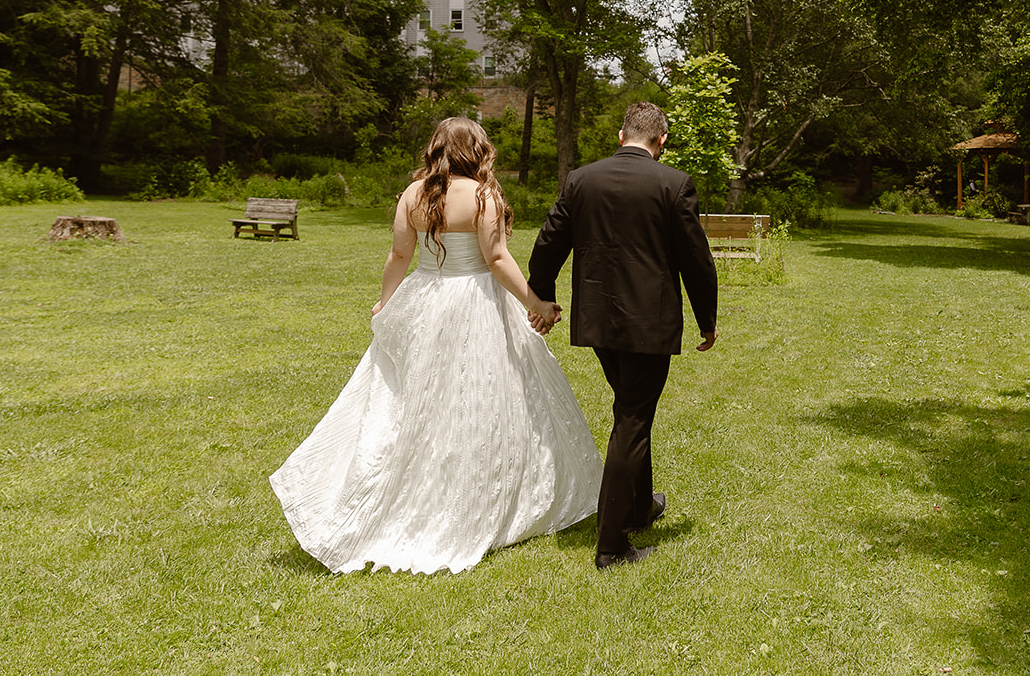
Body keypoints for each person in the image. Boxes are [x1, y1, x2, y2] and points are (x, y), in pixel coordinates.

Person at [269, 117, 603, 574]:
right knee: (482, 396)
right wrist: (536, 302)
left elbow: (399, 256)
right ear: (478, 149)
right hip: (476, 300)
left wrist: (385, 304)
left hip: (427, 296)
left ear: (437, 148)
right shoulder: (483, 195)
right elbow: (498, 258)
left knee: (420, 397)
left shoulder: (414, 194)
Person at [528, 100, 719, 570]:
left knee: (632, 409)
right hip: (647, 325)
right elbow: (696, 258)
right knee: (632, 420)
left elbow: (548, 242)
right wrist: (707, 318)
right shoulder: (674, 184)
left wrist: (543, 296)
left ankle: (638, 506)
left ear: (621, 135)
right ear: (661, 141)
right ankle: (612, 545)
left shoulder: (581, 180)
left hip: (598, 323)